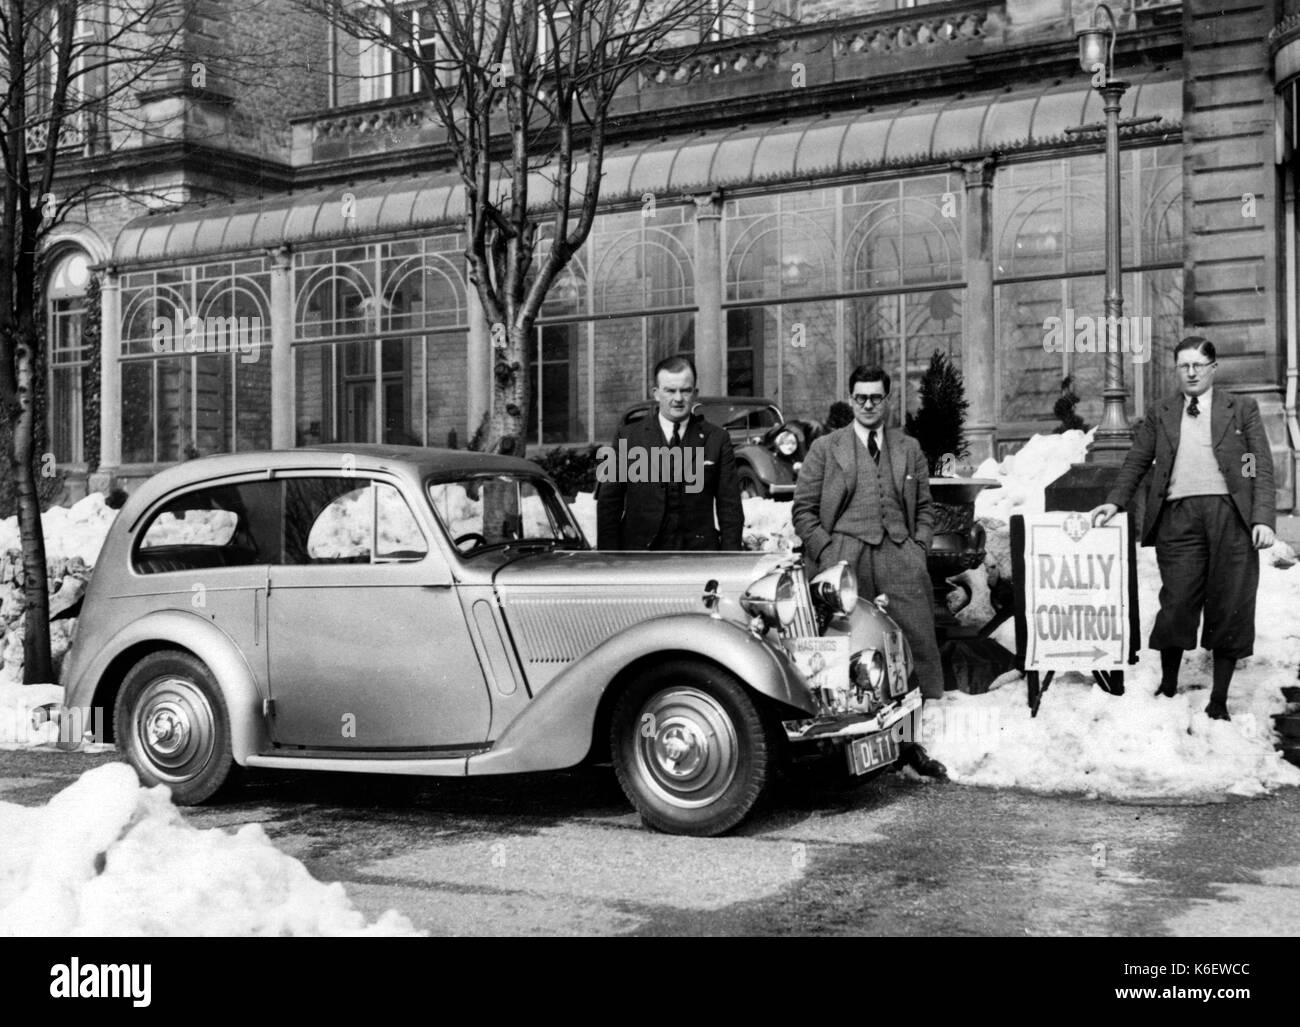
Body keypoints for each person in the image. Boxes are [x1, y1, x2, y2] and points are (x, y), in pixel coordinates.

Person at [1089, 336, 1276, 721]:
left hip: (1231, 516)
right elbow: (1137, 462)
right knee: (1176, 602)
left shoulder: (1240, 409)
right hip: (1178, 518)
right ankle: (1168, 685)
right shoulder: (1163, 412)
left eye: (1198, 365)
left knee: (1231, 604)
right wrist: (1114, 500)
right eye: (1183, 366)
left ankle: (1219, 699)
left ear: (1213, 369)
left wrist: (1260, 518)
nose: (1190, 373)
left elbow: (1254, 464)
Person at [792, 365, 945, 701]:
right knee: (846, 641)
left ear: (887, 400)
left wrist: (918, 548)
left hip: (899, 552)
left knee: (914, 637)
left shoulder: (909, 448)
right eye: (861, 398)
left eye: (876, 398)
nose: (868, 405)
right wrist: (827, 552)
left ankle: (921, 710)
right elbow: (803, 511)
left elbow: (924, 507)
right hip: (844, 556)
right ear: (851, 399)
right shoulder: (825, 448)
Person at [596, 354, 743, 551]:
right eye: (670, 391)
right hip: (639, 558)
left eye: (685, 391)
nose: (678, 399)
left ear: (695, 393)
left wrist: (729, 561)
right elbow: (609, 505)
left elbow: (730, 508)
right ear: (656, 393)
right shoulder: (628, 437)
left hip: (698, 559)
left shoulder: (716, 439)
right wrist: (609, 561)